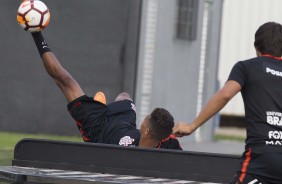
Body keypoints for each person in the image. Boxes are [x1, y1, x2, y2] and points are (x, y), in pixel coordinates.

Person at [30, 31, 182, 150]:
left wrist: (35, 31)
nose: (144, 119)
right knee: (125, 97)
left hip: (99, 126)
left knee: (65, 81)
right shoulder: (168, 143)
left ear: (147, 131)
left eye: (146, 119)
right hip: (124, 121)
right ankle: (103, 105)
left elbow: (62, 79)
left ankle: (36, 33)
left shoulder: (118, 151)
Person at [173, 22, 282, 184]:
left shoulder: (246, 67)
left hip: (262, 159)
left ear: (256, 48)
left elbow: (225, 95)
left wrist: (191, 126)